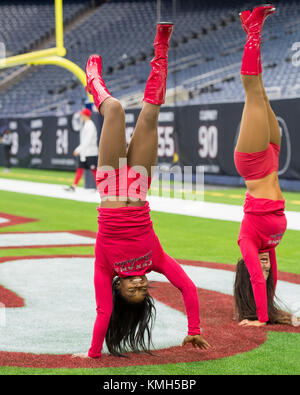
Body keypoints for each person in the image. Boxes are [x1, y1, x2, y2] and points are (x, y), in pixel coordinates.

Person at [72, 22, 211, 359]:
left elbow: (103, 314)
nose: (139, 285)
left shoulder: (106, 269)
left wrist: (92, 353)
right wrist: (193, 329)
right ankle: (161, 48)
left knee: (115, 109)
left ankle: (94, 82)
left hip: (109, 185)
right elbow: (188, 288)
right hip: (139, 184)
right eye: (142, 290)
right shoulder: (154, 260)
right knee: (150, 115)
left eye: (132, 290)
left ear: (118, 290)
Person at [233, 5, 300, 328]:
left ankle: (254, 28)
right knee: (262, 93)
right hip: (271, 157)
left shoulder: (248, 241)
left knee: (252, 92)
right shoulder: (271, 247)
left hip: (253, 163)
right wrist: (276, 314)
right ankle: (250, 27)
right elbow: (268, 279)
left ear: (248, 268)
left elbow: (258, 280)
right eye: (266, 266)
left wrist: (260, 319)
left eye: (259, 267)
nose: (265, 267)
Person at [65, 107, 98, 191]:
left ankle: (100, 188)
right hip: (85, 152)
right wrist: (80, 150)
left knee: (94, 170)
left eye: (82, 115)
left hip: (91, 153)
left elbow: (87, 140)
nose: (81, 116)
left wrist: (78, 149)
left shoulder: (90, 125)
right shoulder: (86, 125)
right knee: (80, 168)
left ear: (85, 115)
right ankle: (74, 186)